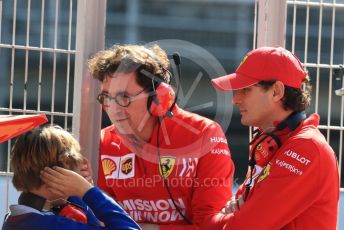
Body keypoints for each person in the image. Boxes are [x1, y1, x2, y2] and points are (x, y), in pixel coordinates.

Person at [87, 44, 235, 229]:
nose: (113, 109)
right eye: (107, 97)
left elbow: (209, 226)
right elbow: (102, 222)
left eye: (124, 97)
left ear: (158, 97)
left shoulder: (205, 134)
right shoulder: (103, 142)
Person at [203, 46, 340, 229]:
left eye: (246, 90)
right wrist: (232, 217)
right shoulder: (272, 141)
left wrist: (231, 217)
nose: (235, 99)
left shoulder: (306, 148)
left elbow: (243, 226)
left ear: (276, 91)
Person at [2, 125, 141, 230]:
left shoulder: (19, 218)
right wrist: (88, 191)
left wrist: (78, 193)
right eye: (74, 165)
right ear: (59, 173)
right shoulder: (51, 226)